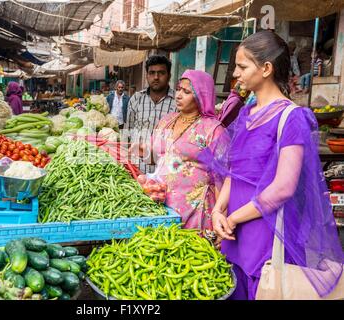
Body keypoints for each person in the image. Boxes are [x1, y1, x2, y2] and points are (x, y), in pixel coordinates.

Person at [207, 30, 343, 300]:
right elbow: (235, 172)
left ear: (266, 68)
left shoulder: (292, 118)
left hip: (266, 233)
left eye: (242, 66)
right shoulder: (247, 113)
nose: (235, 73)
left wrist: (232, 218)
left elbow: (283, 188)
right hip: (235, 232)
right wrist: (218, 211)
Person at [149, 70, 227, 234]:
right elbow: (153, 153)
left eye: (186, 91)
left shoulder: (212, 129)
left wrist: (221, 216)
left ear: (201, 95)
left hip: (195, 211)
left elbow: (223, 178)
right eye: (178, 89)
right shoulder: (166, 121)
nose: (178, 95)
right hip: (160, 205)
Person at [125, 55, 177, 174]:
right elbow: (128, 132)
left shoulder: (177, 102)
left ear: (169, 76)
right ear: (147, 75)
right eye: (152, 73)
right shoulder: (136, 100)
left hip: (165, 171)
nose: (156, 77)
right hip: (137, 169)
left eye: (161, 73)